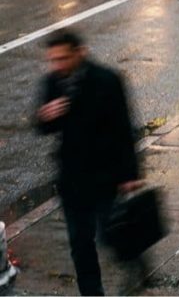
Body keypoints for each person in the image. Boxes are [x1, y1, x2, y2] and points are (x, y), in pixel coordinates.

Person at [35, 29, 142, 296]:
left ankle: (134, 257)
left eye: (62, 58)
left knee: (111, 233)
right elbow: (42, 126)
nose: (57, 65)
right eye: (53, 60)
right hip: (72, 179)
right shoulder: (52, 82)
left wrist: (130, 173)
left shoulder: (107, 80)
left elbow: (124, 128)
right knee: (80, 243)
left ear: (79, 53)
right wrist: (45, 117)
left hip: (105, 175)